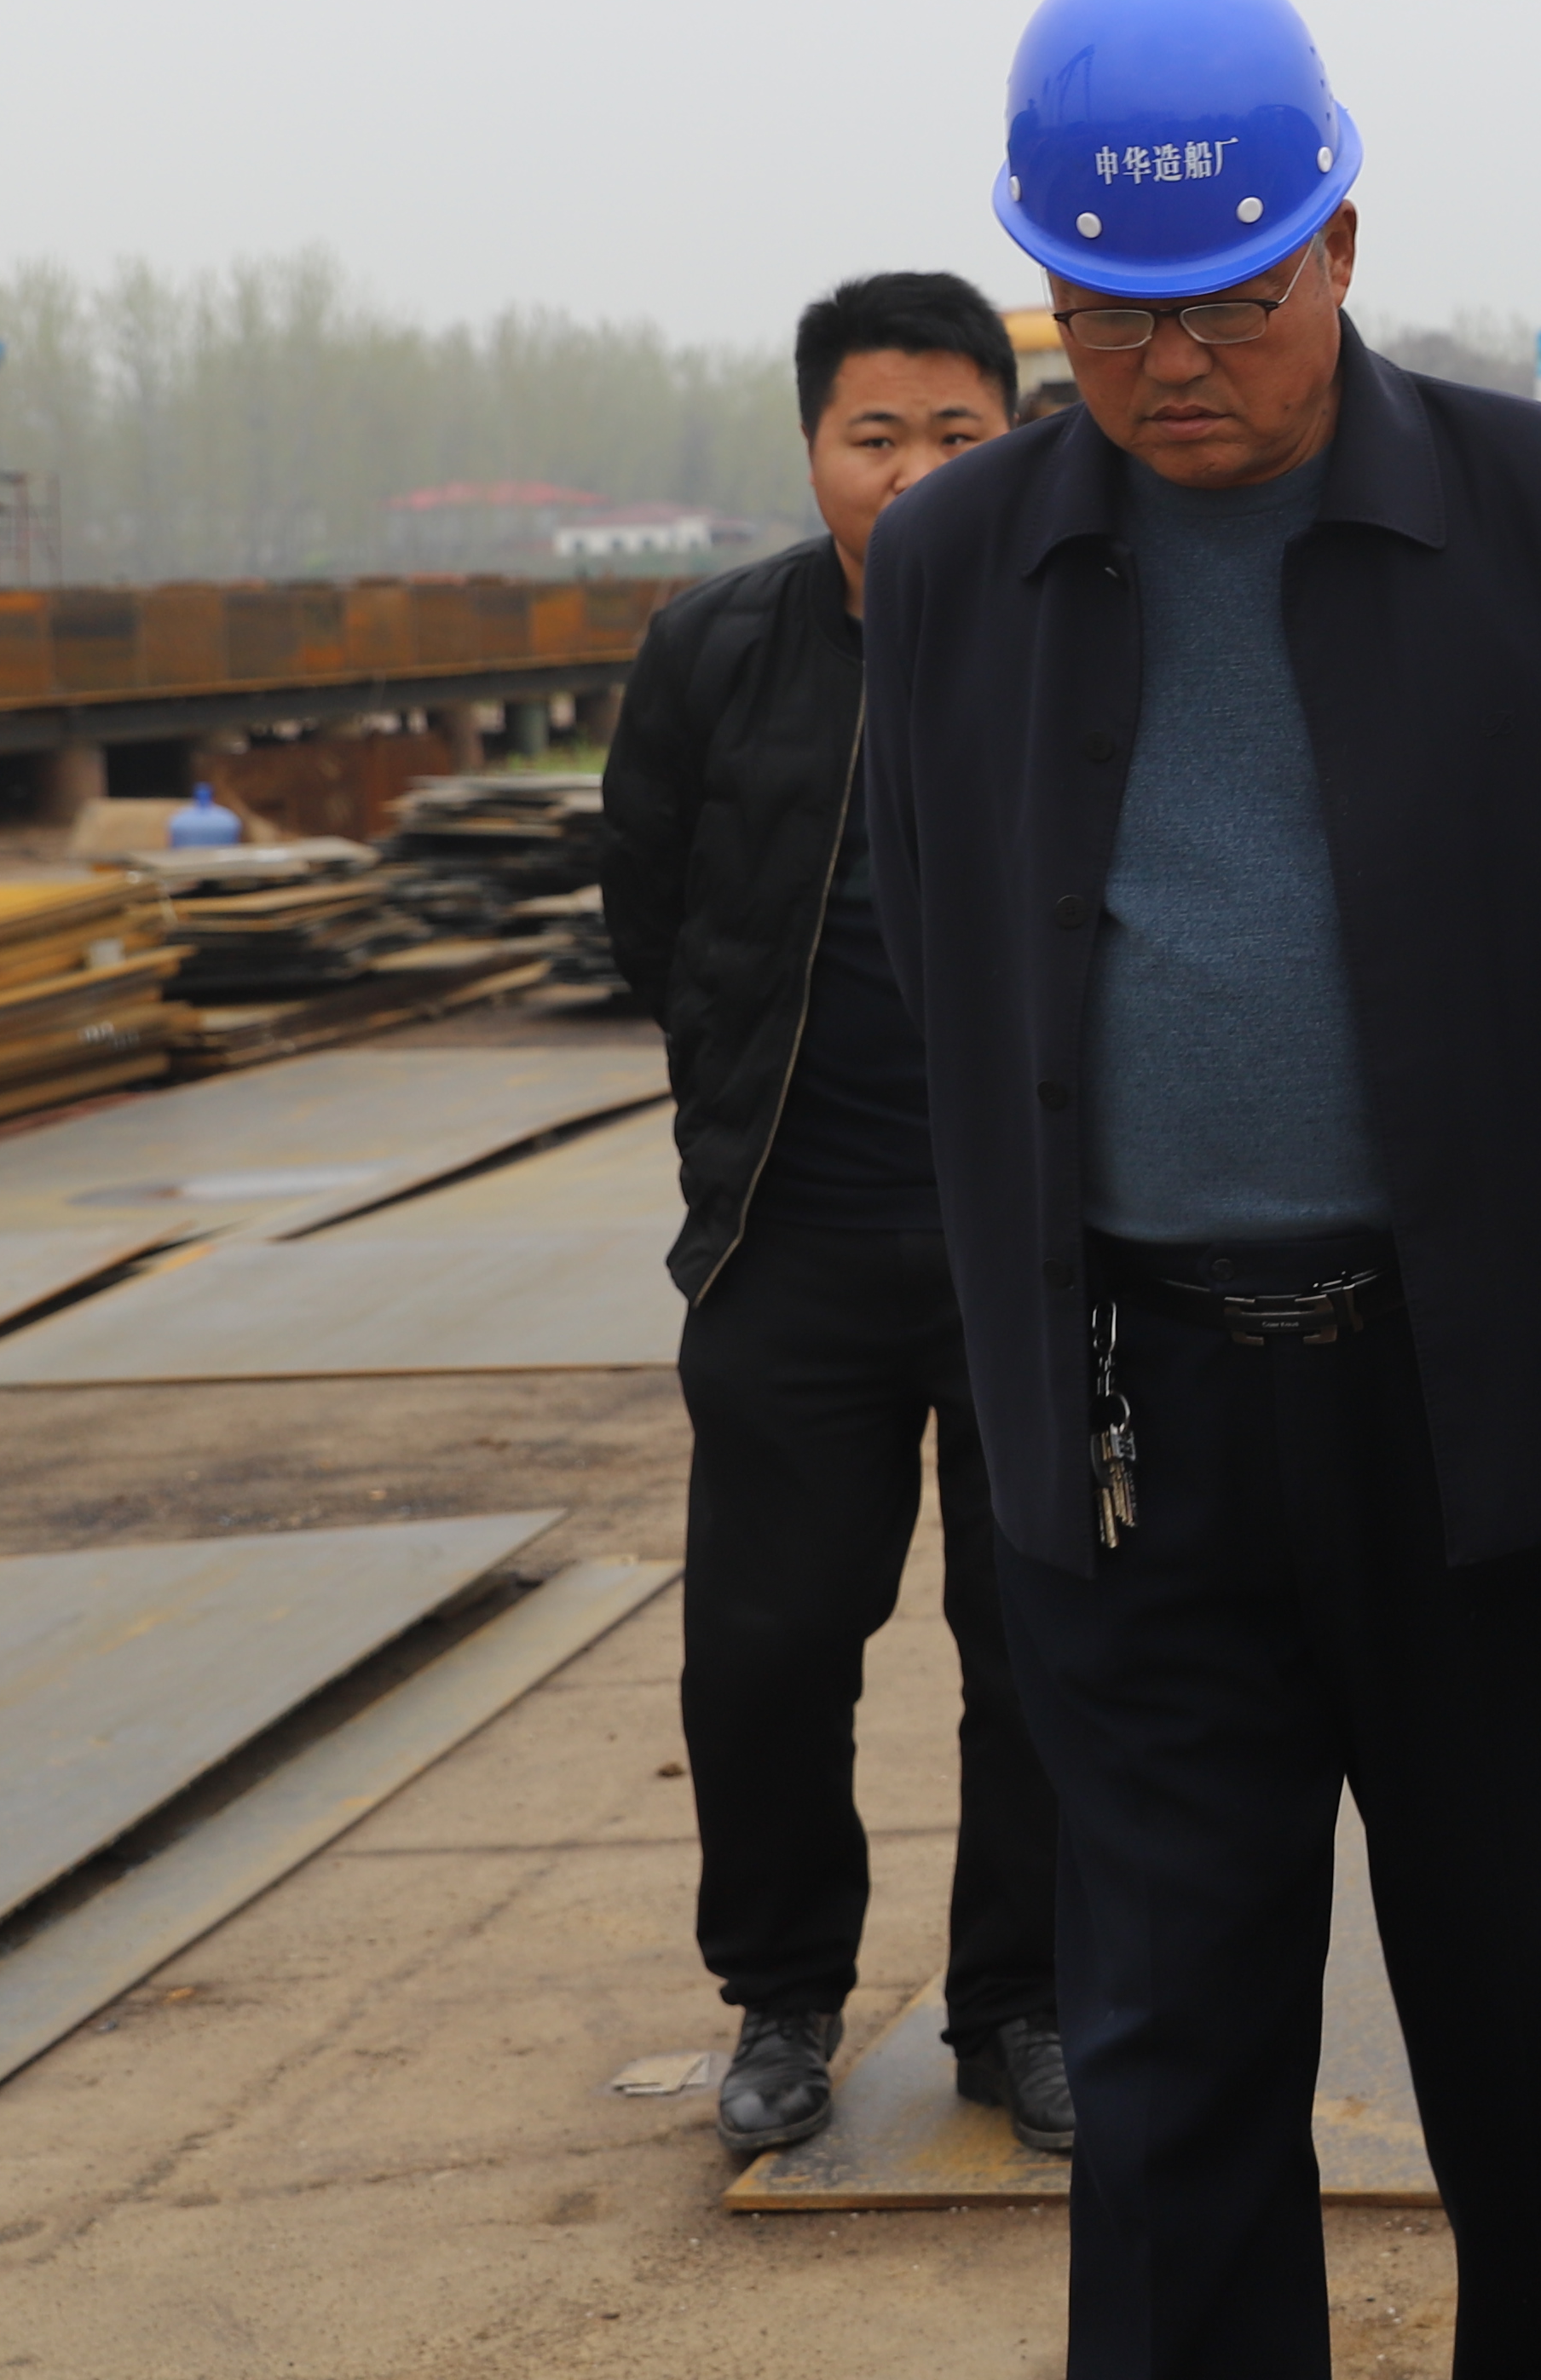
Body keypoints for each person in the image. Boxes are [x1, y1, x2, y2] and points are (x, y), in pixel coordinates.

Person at [859, 0, 1541, 2380]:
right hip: (1139, 1439)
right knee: (1168, 2069)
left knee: (1538, 2043)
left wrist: (1491, 1204)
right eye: (1110, 310)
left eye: (1234, 299)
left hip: (1486, 1421)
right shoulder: (955, 568)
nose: (1174, 361)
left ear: (1341, 240)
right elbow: (952, 958)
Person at [598, 267, 1073, 2160]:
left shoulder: (1078, 630)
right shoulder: (715, 649)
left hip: (1029, 1243)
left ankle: (1024, 2001)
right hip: (790, 1240)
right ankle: (783, 1996)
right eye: (877, 435)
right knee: (769, 1649)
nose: (916, 471)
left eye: (958, 433)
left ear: (1014, 443)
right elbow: (654, 919)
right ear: (813, 449)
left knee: (1043, 1639)